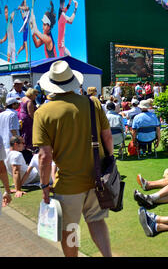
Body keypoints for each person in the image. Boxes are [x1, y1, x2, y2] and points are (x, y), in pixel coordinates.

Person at [33, 60, 113, 257]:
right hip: (97, 177)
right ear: (73, 82)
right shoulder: (92, 103)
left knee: (70, 229)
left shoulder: (42, 113)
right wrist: (109, 160)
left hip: (68, 184)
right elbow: (108, 137)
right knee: (96, 221)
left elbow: (45, 156)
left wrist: (44, 187)